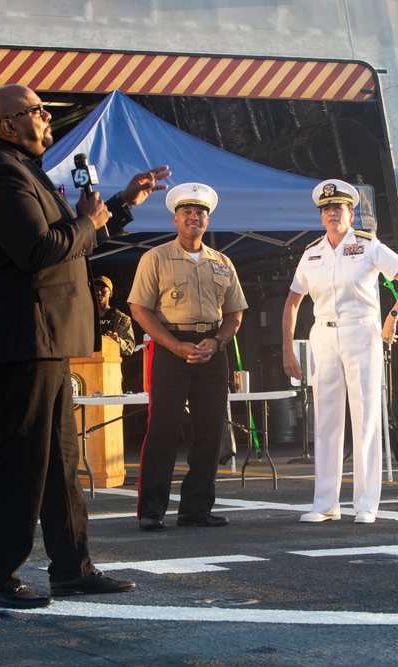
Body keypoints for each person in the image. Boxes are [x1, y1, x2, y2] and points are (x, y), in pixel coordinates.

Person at [0, 83, 170, 609]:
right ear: (8, 124)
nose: (48, 117)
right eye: (37, 111)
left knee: (59, 457)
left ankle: (72, 569)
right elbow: (38, 250)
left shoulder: (22, 170)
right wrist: (89, 220)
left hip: (45, 337)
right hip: (21, 338)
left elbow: (70, 237)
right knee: (22, 460)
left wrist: (119, 205)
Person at [282, 179, 398, 525]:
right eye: (327, 209)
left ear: (351, 213)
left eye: (339, 208)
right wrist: (288, 346)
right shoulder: (311, 253)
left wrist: (392, 318)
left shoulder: (368, 245)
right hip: (324, 337)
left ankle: (366, 504)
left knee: (365, 419)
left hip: (362, 332)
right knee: (326, 421)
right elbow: (293, 301)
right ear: (321, 216)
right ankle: (326, 503)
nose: (332, 213)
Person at [128, 183, 248, 531]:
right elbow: (140, 309)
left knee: (210, 429)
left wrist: (218, 342)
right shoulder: (155, 258)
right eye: (187, 212)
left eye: (200, 213)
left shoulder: (222, 262)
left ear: (207, 220)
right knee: (163, 427)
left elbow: (235, 314)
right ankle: (151, 510)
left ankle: (196, 509)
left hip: (212, 348)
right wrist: (175, 346)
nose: (194, 217)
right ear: (176, 218)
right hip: (169, 347)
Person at [95, 275, 136, 356]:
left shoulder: (120, 318)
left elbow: (130, 347)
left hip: (111, 364)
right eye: (95, 289)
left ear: (110, 293)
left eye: (102, 290)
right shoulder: (84, 318)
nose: (98, 292)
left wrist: (118, 341)